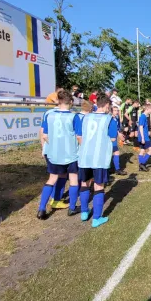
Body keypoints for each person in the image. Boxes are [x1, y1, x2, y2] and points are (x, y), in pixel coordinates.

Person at [77, 93, 118, 228]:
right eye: (109, 107)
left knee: (84, 183)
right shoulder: (109, 119)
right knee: (98, 185)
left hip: (84, 156)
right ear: (106, 106)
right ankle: (97, 218)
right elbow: (112, 139)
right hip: (99, 158)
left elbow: (79, 136)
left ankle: (84, 212)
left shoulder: (84, 118)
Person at [37, 90, 79, 220]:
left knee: (52, 178)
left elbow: (44, 134)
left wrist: (44, 148)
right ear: (71, 102)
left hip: (54, 153)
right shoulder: (74, 116)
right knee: (73, 179)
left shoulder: (49, 114)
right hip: (71, 153)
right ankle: (72, 208)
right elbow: (79, 136)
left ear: (58, 101)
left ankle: (42, 209)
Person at [137, 102, 151, 171]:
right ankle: (142, 163)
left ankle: (141, 166)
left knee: (142, 150)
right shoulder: (143, 116)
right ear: (147, 109)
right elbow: (140, 127)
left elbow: (144, 127)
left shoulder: (145, 116)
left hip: (144, 136)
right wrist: (143, 138)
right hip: (144, 137)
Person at [111, 106, 127, 175]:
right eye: (115, 110)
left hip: (114, 139)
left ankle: (117, 169)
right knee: (109, 154)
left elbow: (117, 128)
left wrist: (120, 135)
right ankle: (108, 170)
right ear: (111, 111)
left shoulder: (116, 118)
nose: (117, 112)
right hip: (108, 139)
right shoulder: (108, 118)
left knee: (116, 152)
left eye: (117, 110)